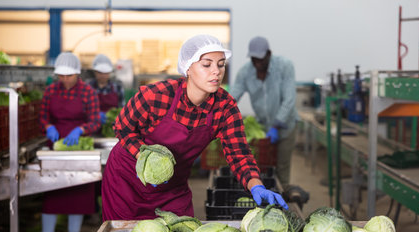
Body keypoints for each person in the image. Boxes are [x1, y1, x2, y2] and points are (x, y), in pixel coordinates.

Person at [101, 34, 288, 221]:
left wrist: (256, 185)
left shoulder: (225, 107)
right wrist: (145, 158)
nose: (216, 71)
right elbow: (122, 128)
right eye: (207, 65)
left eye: (221, 64)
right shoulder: (156, 96)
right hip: (127, 181)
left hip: (172, 186)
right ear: (187, 67)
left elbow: (239, 153)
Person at [36, 52, 101, 232]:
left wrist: (80, 130)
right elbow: (42, 117)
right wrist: (48, 127)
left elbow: (95, 121)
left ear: (77, 73)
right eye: (61, 76)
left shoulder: (87, 92)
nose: (64, 80)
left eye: (69, 76)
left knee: (77, 193)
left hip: (78, 146)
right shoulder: (50, 91)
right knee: (51, 193)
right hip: (56, 147)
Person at [231, 36, 307, 204]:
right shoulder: (245, 72)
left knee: (281, 167)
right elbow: (233, 95)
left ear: (269, 54)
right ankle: (264, 196)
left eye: (261, 58)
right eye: (254, 58)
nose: (257, 62)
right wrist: (218, 112)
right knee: (261, 166)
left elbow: (289, 100)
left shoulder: (284, 66)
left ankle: (283, 198)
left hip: (286, 126)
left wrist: (277, 124)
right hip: (263, 127)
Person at [87, 54, 124, 124]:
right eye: (100, 73)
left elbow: (122, 109)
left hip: (112, 126)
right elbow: (82, 109)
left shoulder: (118, 86)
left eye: (106, 73)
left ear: (110, 72)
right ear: (95, 72)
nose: (103, 75)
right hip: (92, 126)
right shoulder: (88, 87)